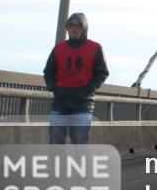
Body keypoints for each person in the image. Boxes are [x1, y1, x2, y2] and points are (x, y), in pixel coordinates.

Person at [43, 12, 109, 144]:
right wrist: (54, 88)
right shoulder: (59, 48)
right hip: (60, 103)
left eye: (78, 26)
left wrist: (88, 89)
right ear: (67, 28)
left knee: (80, 142)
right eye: (71, 25)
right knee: (56, 142)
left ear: (84, 28)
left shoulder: (95, 48)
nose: (74, 29)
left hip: (82, 104)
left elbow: (102, 72)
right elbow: (48, 72)